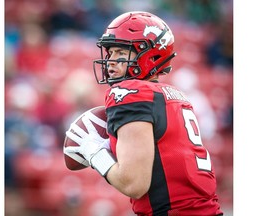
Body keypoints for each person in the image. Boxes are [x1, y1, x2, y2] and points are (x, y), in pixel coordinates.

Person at [64, 11, 223, 215]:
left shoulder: (131, 93)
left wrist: (94, 152)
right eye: (110, 53)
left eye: (121, 53)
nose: (111, 61)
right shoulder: (175, 96)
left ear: (151, 54)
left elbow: (134, 185)